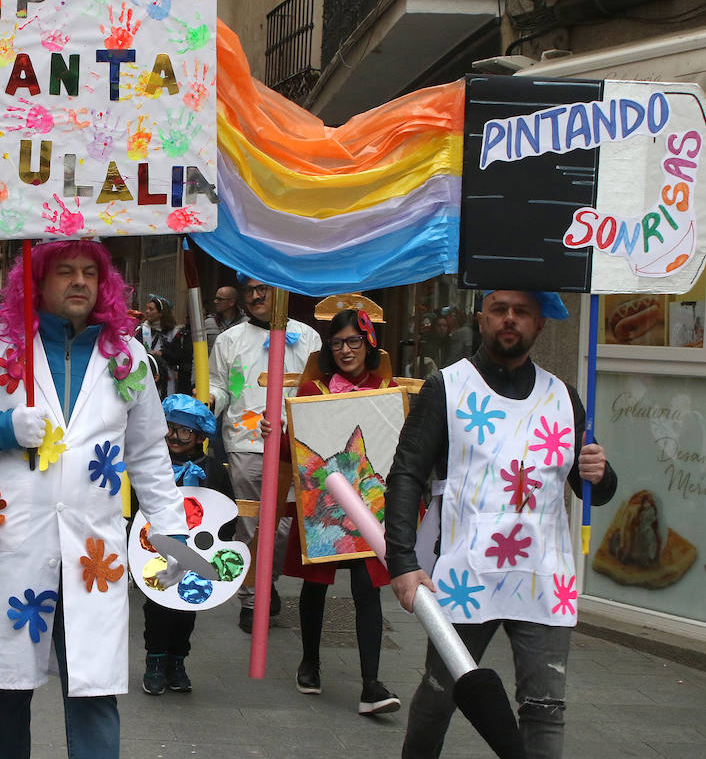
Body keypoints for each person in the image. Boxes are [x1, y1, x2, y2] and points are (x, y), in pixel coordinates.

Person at [0, 240, 189, 759]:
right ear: (37, 282)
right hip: (15, 543)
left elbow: (149, 451)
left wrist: (171, 529)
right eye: (65, 271)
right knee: (6, 687)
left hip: (95, 552)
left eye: (91, 272)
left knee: (94, 689)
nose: (80, 282)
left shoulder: (128, 356)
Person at [384, 290, 618, 759]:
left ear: (540, 325)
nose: (510, 320)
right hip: (466, 573)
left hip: (544, 576)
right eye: (499, 310)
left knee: (545, 707)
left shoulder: (563, 398)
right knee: (440, 693)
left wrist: (601, 472)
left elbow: (590, 485)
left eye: (522, 312)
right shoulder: (446, 388)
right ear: (481, 318)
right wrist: (403, 562)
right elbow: (406, 475)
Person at [284, 309, 400, 714]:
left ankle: (371, 684)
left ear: (368, 343)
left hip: (370, 507)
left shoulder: (389, 388)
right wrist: (278, 433)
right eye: (337, 343)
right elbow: (291, 452)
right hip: (322, 513)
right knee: (315, 587)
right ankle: (310, 662)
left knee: (368, 591)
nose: (346, 350)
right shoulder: (312, 390)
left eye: (353, 341)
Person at [208, 274, 321, 633]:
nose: (257, 296)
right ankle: (251, 597)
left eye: (264, 289)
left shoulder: (309, 338)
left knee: (285, 525)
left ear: (282, 292)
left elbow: (315, 388)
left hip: (294, 445)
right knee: (252, 522)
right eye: (251, 291)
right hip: (246, 441)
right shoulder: (229, 340)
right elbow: (219, 386)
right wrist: (208, 399)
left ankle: (263, 580)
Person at [138, 394, 233, 696]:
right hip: (155, 548)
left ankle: (177, 662)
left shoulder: (212, 468)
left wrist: (220, 547)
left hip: (196, 551)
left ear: (199, 436)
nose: (173, 436)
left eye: (183, 431)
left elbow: (224, 509)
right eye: (169, 427)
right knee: (157, 605)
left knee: (187, 605)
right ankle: (154, 661)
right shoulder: (154, 465)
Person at [137, 295, 190, 397]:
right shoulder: (143, 329)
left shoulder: (173, 332)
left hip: (166, 374)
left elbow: (178, 355)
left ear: (161, 313)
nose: (147, 311)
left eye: (151, 309)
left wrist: (162, 354)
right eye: (147, 308)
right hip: (145, 371)